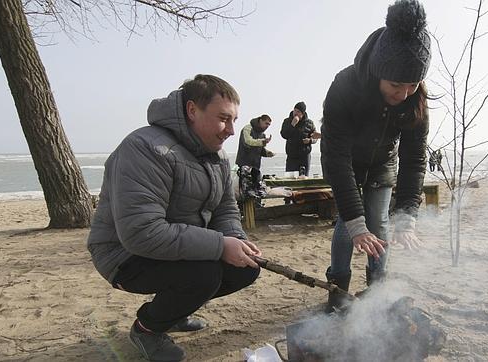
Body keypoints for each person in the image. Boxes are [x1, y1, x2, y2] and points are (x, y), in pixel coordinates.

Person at [87, 74, 262, 362]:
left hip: (177, 249)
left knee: (246, 268)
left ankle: (173, 311)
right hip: (122, 255)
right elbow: (142, 233)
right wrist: (220, 245)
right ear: (192, 110)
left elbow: (225, 209)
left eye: (234, 119)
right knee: (204, 274)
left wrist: (237, 241)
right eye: (223, 118)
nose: (231, 130)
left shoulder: (217, 156)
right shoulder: (145, 148)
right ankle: (147, 329)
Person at [320, 0, 431, 312]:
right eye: (396, 84)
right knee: (348, 224)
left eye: (413, 84)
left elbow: (414, 159)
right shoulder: (345, 86)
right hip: (345, 163)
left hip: (383, 163)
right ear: (379, 71)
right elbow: (337, 157)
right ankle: (337, 289)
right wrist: (358, 224)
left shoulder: (415, 100)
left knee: (380, 224)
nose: (403, 94)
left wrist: (408, 215)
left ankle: (376, 290)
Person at [236, 115, 275, 203]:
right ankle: (244, 213)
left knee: (258, 191)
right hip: (244, 165)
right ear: (260, 120)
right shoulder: (247, 128)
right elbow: (247, 141)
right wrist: (262, 142)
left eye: (269, 125)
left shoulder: (262, 134)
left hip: (256, 166)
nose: (267, 126)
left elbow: (259, 150)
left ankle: (257, 210)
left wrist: (267, 153)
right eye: (266, 123)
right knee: (246, 192)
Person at [280, 101, 318, 176]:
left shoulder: (309, 123)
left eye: (298, 111)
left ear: (302, 114)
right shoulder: (287, 121)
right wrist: (292, 125)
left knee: (303, 179)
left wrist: (310, 140)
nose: (295, 113)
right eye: (295, 110)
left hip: (304, 156)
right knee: (290, 179)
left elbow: (315, 137)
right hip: (291, 155)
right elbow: (284, 135)